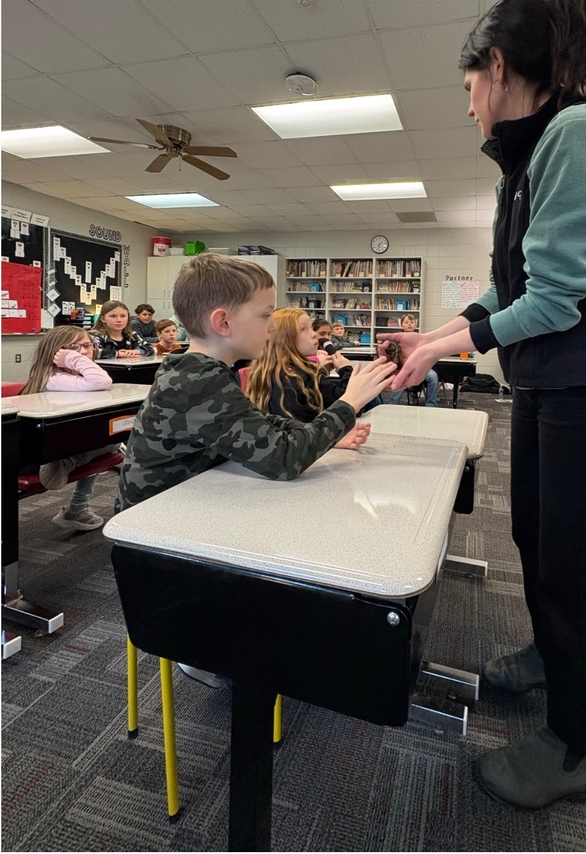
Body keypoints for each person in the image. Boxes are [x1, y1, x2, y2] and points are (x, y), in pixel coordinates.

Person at [379, 0, 586, 809]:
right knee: (540, 541)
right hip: (547, 389)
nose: (469, 110)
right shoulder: (527, 164)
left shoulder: (581, 132)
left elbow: (558, 300)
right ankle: (550, 656)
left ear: (498, 69)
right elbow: (507, 289)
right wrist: (431, 341)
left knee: (579, 570)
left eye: (469, 90)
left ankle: (579, 747)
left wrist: (453, 345)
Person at [116, 255, 394, 687]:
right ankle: (205, 647)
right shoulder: (200, 379)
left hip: (188, 515)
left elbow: (262, 430)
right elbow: (282, 459)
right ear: (223, 322)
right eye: (265, 315)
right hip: (160, 545)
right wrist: (348, 403)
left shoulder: (205, 370)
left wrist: (327, 435)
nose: (271, 325)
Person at [21, 325, 117, 531]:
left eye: (87, 346)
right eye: (72, 347)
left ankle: (72, 473)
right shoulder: (54, 378)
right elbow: (101, 380)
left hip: (50, 450)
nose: (82, 352)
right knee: (110, 440)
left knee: (107, 438)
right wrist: (75, 359)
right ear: (56, 353)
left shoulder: (69, 378)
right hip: (33, 457)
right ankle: (77, 502)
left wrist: (75, 358)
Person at [242, 308, 371, 448]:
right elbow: (350, 405)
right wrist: (345, 369)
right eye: (304, 329)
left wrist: (322, 373)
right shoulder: (305, 374)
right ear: (285, 339)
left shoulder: (264, 372)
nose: (314, 334)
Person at [387, 314, 439, 407]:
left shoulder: (421, 339)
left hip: (419, 367)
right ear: (401, 325)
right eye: (406, 322)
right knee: (400, 377)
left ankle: (431, 405)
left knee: (433, 376)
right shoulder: (397, 339)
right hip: (403, 367)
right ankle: (393, 405)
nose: (409, 324)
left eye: (412, 322)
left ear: (415, 325)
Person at [91, 301, 156, 359]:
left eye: (123, 316)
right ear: (103, 319)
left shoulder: (131, 335)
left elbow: (153, 348)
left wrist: (138, 351)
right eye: (113, 316)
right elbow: (91, 352)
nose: (119, 320)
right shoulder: (95, 336)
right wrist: (118, 354)